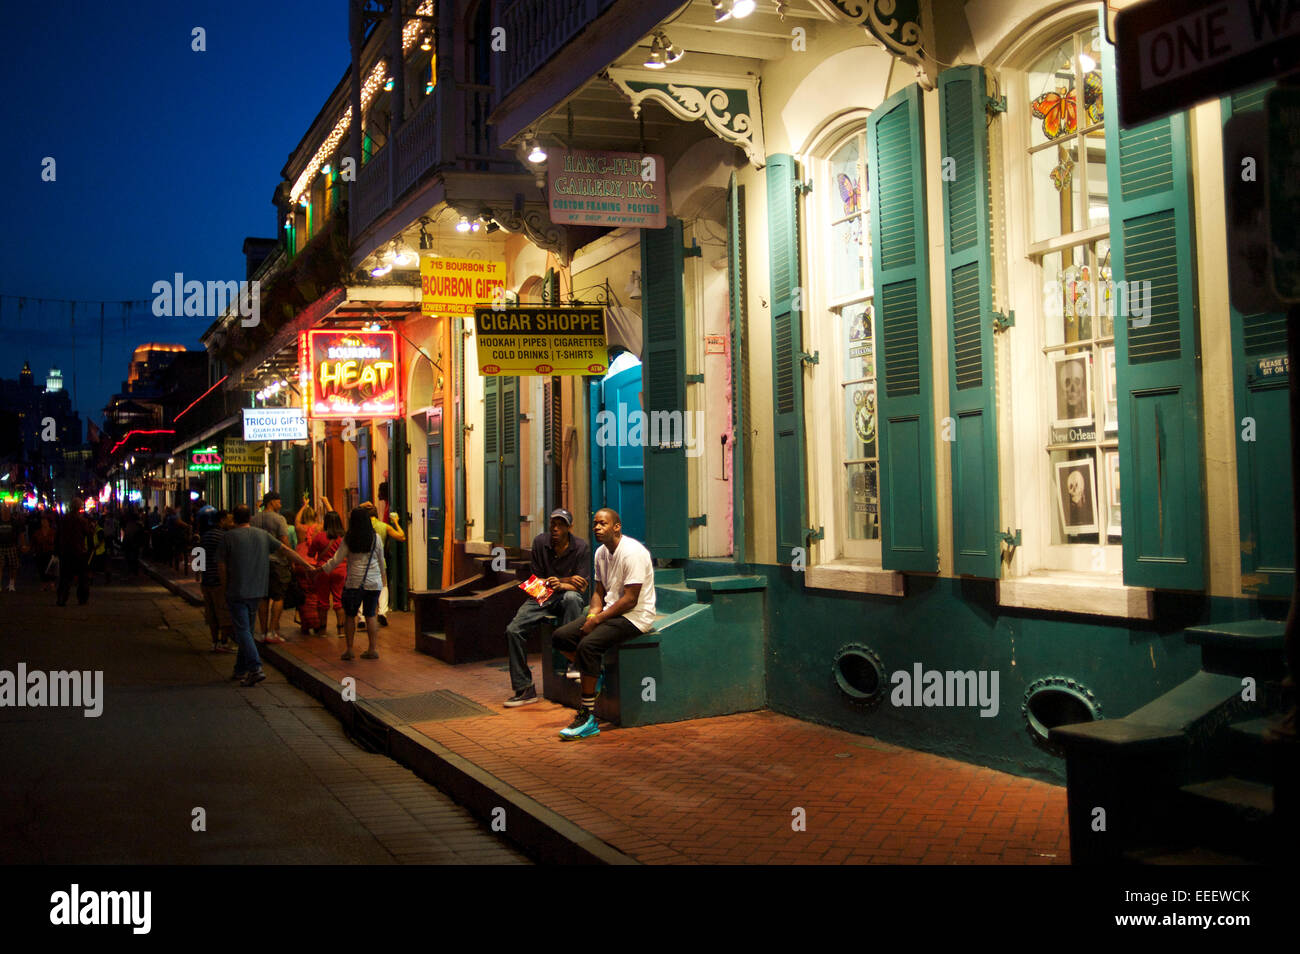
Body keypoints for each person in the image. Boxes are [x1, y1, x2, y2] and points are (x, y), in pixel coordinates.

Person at [551, 508, 657, 740]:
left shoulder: (633, 553)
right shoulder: (601, 553)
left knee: (588, 646)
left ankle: (588, 717)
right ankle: (593, 673)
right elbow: (599, 591)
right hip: (611, 611)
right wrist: (592, 615)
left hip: (636, 616)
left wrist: (597, 620)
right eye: (595, 524)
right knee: (560, 637)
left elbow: (630, 599)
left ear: (616, 526)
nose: (597, 528)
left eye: (603, 524)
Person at [218, 503, 314, 687]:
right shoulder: (262, 536)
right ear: (249, 518)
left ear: (235, 519)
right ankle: (240, 668)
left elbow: (222, 567)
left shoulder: (227, 538)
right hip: (257, 589)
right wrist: (307, 565)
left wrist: (225, 588)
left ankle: (255, 667)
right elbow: (286, 550)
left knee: (243, 630)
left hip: (237, 590)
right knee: (246, 628)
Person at [503, 508, 589, 707]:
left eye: (561, 525)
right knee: (513, 630)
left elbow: (581, 586)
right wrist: (564, 581)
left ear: (569, 527)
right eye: (553, 524)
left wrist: (561, 583)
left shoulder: (581, 547)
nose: (556, 528)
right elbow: (536, 583)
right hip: (542, 596)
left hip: (565, 595)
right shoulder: (540, 543)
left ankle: (573, 662)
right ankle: (524, 687)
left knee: (572, 599)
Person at [317, 507, 386, 661]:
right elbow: (381, 561)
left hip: (354, 583)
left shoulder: (349, 539)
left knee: (350, 615)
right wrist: (383, 579)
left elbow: (337, 559)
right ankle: (372, 649)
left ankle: (349, 650)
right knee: (370, 615)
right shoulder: (376, 538)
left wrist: (322, 569)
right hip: (373, 583)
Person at [250, 491, 292, 644]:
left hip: (259, 562)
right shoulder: (279, 519)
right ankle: (273, 631)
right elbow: (284, 541)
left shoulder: (254, 519)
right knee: (278, 596)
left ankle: (262, 631)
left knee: (263, 597)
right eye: (278, 501)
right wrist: (291, 558)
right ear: (271, 502)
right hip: (277, 562)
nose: (280, 504)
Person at [198, 507, 236, 654]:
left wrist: (200, 577)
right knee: (224, 613)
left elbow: (198, 557)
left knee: (212, 614)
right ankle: (224, 642)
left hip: (206, 580)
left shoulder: (205, 536)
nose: (232, 523)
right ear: (222, 520)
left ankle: (215, 642)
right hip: (220, 581)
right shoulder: (224, 537)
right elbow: (227, 560)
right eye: (229, 520)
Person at [360, 499, 404, 626]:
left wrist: (362, 506)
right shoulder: (384, 526)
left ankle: (362, 617)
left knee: (362, 588)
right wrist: (396, 521)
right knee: (383, 586)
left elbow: (351, 515)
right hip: (379, 562)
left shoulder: (361, 527)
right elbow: (402, 536)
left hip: (363, 562)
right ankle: (382, 612)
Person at [309, 508, 347, 635]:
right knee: (339, 599)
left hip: (323, 570)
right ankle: (341, 629)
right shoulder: (343, 537)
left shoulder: (319, 536)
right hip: (340, 569)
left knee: (322, 600)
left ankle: (322, 629)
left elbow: (311, 553)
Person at [55, 504, 94, 607]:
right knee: (82, 577)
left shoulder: (63, 519)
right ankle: (82, 598)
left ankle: (61, 598)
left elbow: (58, 534)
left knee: (65, 577)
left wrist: (57, 549)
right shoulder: (81, 521)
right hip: (79, 551)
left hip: (66, 551)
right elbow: (88, 533)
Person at [0, 502, 25, 591]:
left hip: (11, 545)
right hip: (1, 546)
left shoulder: (14, 522)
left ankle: (11, 584)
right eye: (3, 511)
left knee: (13, 565)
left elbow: (21, 533)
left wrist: (22, 544)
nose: (5, 513)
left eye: (6, 511)